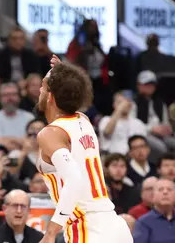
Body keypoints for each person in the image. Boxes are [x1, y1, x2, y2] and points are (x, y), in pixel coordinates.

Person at [35, 56, 133, 243]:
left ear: (50, 96)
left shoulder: (50, 134)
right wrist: (65, 75)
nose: (40, 90)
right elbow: (71, 92)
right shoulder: (83, 120)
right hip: (115, 225)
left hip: (87, 227)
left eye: (43, 86)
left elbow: (74, 179)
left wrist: (51, 231)